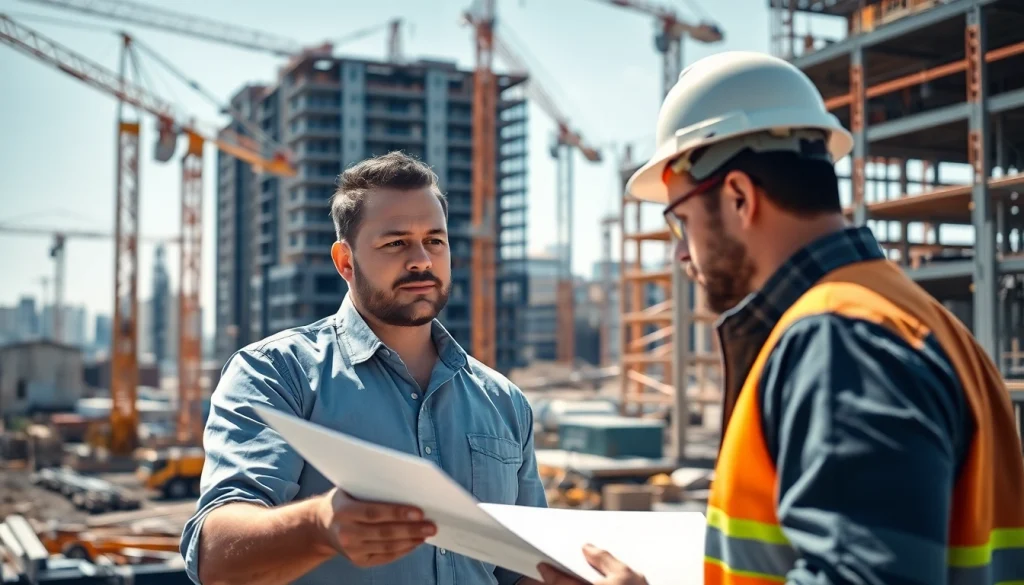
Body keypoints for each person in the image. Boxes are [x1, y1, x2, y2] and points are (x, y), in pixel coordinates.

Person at [538, 51, 1024, 585]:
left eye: (681, 222)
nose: (680, 254)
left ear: (739, 197)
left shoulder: (839, 340)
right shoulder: (917, 319)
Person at [180, 151, 548, 585]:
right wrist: (318, 526)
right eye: (395, 243)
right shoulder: (274, 374)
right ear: (345, 262)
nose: (422, 260)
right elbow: (214, 559)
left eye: (435, 241)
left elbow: (524, 570)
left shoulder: (504, 401)